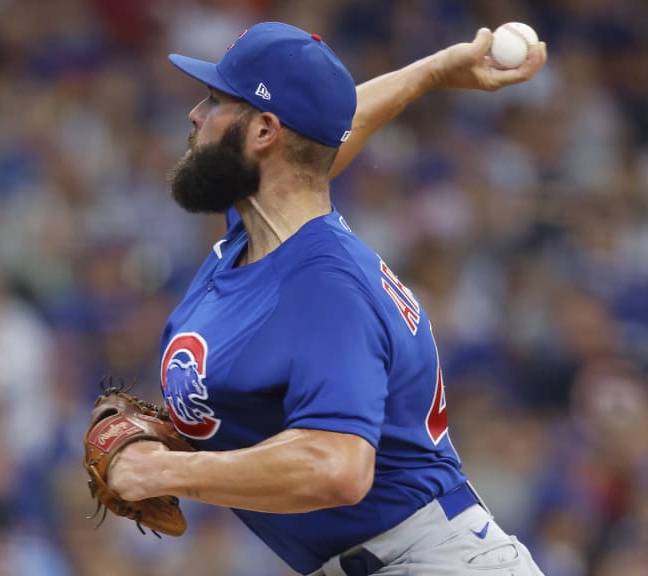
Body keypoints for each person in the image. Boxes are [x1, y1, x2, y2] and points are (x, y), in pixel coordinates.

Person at [108, 21, 547, 576]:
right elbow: (319, 138)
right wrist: (433, 72)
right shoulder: (259, 232)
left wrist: (161, 471)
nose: (195, 115)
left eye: (215, 100)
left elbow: (337, 468)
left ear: (264, 132)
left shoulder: (325, 288)